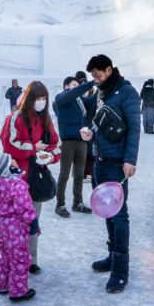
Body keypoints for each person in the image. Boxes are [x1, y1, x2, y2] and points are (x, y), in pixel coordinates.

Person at [80, 54, 140, 293]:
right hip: (100, 161)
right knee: (107, 211)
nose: (95, 80)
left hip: (118, 163)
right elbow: (102, 124)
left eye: (98, 75)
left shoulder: (127, 92)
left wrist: (130, 159)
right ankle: (111, 256)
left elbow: (134, 128)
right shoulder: (101, 92)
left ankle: (120, 270)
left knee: (119, 215)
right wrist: (91, 133)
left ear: (109, 69)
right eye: (92, 77)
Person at [0, 81, 60, 275]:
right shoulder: (16, 117)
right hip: (17, 180)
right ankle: (15, 259)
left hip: (37, 179)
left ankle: (31, 260)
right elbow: (9, 144)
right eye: (37, 98)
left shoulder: (46, 119)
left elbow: (56, 145)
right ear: (29, 98)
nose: (41, 102)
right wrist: (33, 148)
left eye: (44, 99)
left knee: (33, 221)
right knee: (17, 224)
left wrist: (49, 156)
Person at [0, 151, 38, 302]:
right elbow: (25, 207)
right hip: (16, 225)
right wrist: (33, 223)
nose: (15, 161)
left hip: (2, 223)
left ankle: (4, 284)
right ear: (8, 169)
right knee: (19, 257)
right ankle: (18, 291)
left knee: (6, 254)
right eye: (12, 161)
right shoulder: (17, 185)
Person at [53, 76, 93, 217]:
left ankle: (78, 203)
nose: (77, 87)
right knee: (64, 174)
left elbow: (91, 101)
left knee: (78, 175)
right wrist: (91, 82)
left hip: (82, 141)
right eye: (74, 85)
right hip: (68, 141)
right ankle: (60, 204)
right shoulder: (61, 98)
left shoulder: (80, 101)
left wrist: (101, 86)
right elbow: (75, 93)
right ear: (66, 87)